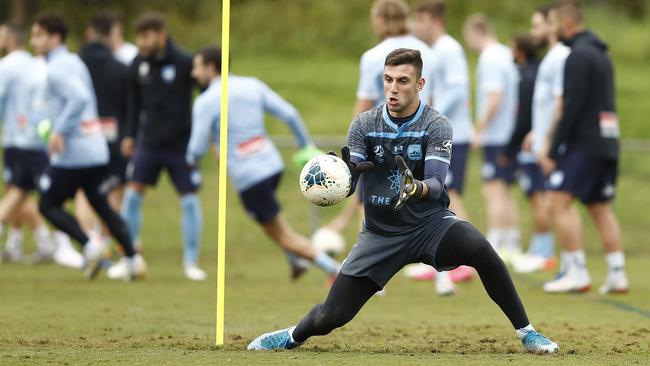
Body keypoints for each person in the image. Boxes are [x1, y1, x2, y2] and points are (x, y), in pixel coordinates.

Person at [247, 48, 558, 354]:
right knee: (332, 316)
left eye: (403, 81)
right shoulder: (364, 125)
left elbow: (436, 185)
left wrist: (416, 188)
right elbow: (351, 183)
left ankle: (528, 333)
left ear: (420, 84)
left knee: (480, 248)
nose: (393, 88)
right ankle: (291, 335)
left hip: (430, 226)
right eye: (388, 79)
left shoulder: (436, 125)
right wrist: (339, 178)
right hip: (380, 235)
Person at [186, 46, 340, 280]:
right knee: (268, 221)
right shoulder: (252, 85)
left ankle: (336, 271)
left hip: (250, 177)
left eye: (196, 67)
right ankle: (294, 261)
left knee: (281, 233)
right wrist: (305, 147)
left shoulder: (206, 101)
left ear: (210, 67)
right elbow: (289, 113)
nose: (193, 74)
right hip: (272, 166)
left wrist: (192, 164)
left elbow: (196, 149)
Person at [321, 0, 436, 277]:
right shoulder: (427, 52)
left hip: (380, 138)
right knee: (428, 198)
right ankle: (442, 275)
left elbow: (363, 106)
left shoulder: (374, 56)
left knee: (371, 201)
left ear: (382, 20)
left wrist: (353, 145)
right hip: (423, 134)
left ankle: (368, 268)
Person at [30, 13, 146, 280]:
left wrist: (58, 130)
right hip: (95, 148)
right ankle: (132, 259)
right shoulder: (74, 60)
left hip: (76, 151)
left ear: (55, 37)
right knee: (100, 202)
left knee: (47, 204)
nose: (33, 41)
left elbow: (80, 98)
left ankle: (91, 246)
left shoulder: (58, 67)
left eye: (38, 35)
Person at [542, 1, 627, 294]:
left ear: (566, 24)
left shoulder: (576, 55)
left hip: (585, 143)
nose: (550, 30)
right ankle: (618, 274)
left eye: (552, 23)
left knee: (557, 202)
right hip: (607, 141)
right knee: (600, 207)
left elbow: (572, 105)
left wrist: (553, 150)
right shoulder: (602, 54)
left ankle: (576, 272)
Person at [120, 14, 204, 281]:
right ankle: (130, 258)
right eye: (139, 36)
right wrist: (129, 135)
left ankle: (191, 262)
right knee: (132, 196)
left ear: (160, 35)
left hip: (180, 146)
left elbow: (205, 96)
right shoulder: (138, 63)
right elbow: (133, 103)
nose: (140, 42)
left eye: (145, 36)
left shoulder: (183, 62)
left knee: (189, 201)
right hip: (149, 144)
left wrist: (207, 134)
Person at [406, 0, 476, 295]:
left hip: (453, 135)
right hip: (442, 134)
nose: (414, 25)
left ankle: (468, 256)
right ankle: (446, 259)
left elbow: (459, 90)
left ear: (434, 20)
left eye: (419, 19)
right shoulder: (435, 52)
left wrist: (428, 116)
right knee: (439, 195)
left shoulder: (449, 48)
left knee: (449, 194)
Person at [0, 23, 81, 267]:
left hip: (22, 139)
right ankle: (61, 245)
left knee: (19, 192)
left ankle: (52, 242)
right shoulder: (33, 64)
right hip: (33, 139)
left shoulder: (11, 66)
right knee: (37, 193)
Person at [513, 5, 570, 274]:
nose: (533, 31)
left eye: (537, 26)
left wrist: (547, 142)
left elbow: (561, 104)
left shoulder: (560, 57)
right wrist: (536, 133)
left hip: (551, 147)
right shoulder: (550, 58)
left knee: (552, 201)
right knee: (546, 200)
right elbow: (547, 105)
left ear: (552, 25)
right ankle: (548, 253)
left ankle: (551, 255)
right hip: (541, 142)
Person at [463, 14, 521, 261]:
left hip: (497, 135)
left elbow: (494, 97)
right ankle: (512, 240)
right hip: (510, 133)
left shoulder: (490, 58)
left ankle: (496, 241)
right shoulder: (506, 54)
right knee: (505, 189)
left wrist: (480, 129)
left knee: (493, 189)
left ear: (476, 32)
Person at [77, 13, 131, 260]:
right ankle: (108, 246)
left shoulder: (75, 65)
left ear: (89, 33)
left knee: (83, 194)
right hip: (113, 139)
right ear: (111, 35)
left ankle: (92, 244)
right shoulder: (121, 68)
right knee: (114, 194)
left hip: (82, 139)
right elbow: (130, 107)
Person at [502, 34, 554, 275]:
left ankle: (544, 250)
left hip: (532, 145)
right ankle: (539, 247)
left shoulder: (528, 77)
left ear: (520, 51)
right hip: (535, 142)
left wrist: (509, 148)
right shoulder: (536, 72)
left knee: (537, 195)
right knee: (536, 195)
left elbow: (524, 117)